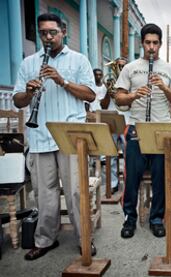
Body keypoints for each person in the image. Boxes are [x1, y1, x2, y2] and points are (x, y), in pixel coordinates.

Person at [13, 13, 96, 260]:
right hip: (40, 135)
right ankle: (45, 239)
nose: (47, 37)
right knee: (43, 192)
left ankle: (84, 240)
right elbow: (18, 100)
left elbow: (90, 95)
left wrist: (63, 81)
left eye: (52, 32)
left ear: (63, 32)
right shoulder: (29, 63)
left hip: (70, 136)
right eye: (43, 33)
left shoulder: (79, 60)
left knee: (75, 192)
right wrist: (28, 92)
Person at [114, 23, 171, 239]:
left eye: (155, 43)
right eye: (148, 43)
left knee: (161, 178)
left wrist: (163, 87)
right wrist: (134, 95)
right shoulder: (130, 67)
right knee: (131, 177)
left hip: (162, 129)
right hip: (136, 127)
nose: (151, 47)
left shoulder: (170, 69)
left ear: (160, 44)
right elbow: (118, 98)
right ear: (142, 43)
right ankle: (129, 219)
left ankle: (156, 219)